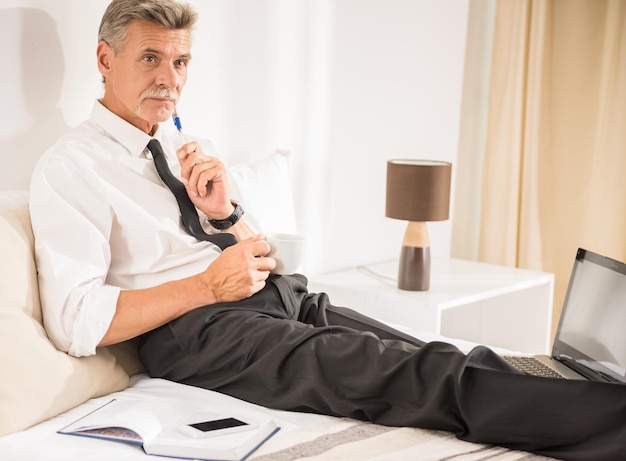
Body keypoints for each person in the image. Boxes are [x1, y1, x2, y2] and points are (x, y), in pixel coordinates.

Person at [29, 1, 625, 460]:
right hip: (199, 332)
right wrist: (208, 287)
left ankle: (583, 398)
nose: (170, 78)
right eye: (150, 58)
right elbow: (75, 321)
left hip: (275, 298)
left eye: (181, 61)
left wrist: (226, 215)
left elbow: (254, 256)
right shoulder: (70, 167)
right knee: (416, 377)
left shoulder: (187, 147)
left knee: (424, 354)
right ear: (106, 60)